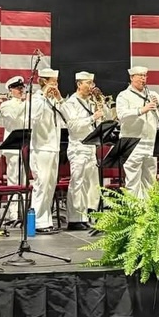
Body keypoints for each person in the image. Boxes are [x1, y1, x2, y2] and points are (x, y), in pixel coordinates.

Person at [115, 66, 159, 201]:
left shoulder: (153, 95)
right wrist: (141, 110)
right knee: (133, 180)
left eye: (145, 76)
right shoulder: (124, 95)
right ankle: (134, 213)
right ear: (131, 78)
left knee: (150, 180)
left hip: (151, 142)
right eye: (139, 76)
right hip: (132, 142)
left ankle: (148, 213)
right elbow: (122, 115)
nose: (143, 79)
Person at [63, 71, 105, 230]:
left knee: (91, 184)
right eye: (88, 83)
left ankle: (88, 215)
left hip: (91, 146)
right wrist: (92, 117)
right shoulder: (71, 103)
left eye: (92, 83)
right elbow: (73, 126)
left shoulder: (90, 102)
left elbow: (97, 123)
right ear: (79, 84)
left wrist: (100, 112)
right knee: (77, 182)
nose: (91, 87)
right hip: (78, 146)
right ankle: (74, 218)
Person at [29, 68, 67, 233]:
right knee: (41, 184)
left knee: (50, 185)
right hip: (41, 148)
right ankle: (36, 221)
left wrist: (59, 98)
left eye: (56, 82)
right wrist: (45, 94)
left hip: (54, 147)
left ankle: (45, 221)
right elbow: (33, 116)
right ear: (44, 82)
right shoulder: (37, 98)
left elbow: (68, 119)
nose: (55, 85)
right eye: (53, 82)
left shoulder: (53, 101)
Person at [0, 76, 28, 185]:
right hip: (12, 147)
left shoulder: (25, 104)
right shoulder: (6, 105)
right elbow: (14, 116)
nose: (21, 90)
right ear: (11, 90)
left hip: (24, 145)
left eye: (22, 88)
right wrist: (26, 102)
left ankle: (23, 200)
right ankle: (13, 202)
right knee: (14, 176)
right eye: (18, 88)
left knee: (24, 178)